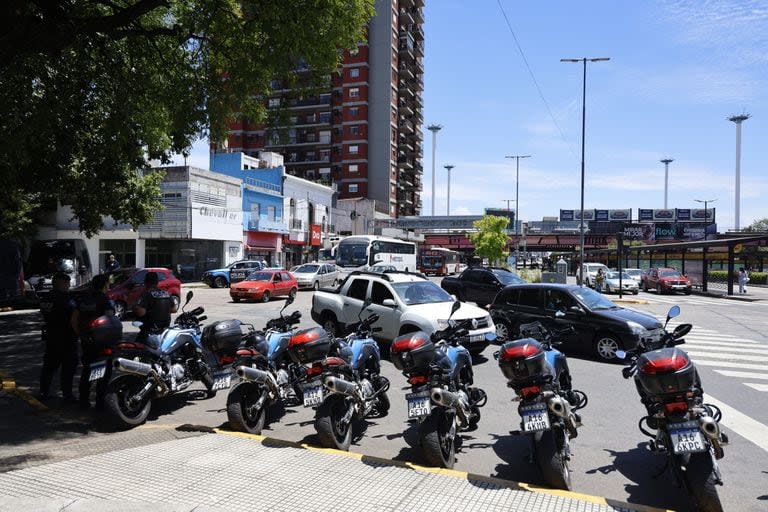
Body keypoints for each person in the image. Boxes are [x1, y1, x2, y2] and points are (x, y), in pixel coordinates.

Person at [71, 274, 115, 409]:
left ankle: (84, 401)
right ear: (104, 285)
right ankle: (99, 402)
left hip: (86, 340)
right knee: (103, 371)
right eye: (108, 284)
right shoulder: (104, 299)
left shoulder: (84, 299)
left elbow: (74, 319)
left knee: (88, 369)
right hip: (101, 341)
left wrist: (81, 334)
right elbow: (110, 318)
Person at [39, 273, 78, 401]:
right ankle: (67, 395)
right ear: (61, 283)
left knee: (49, 367)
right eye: (67, 283)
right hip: (67, 337)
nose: (68, 286)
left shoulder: (46, 297)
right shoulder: (66, 299)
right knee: (68, 368)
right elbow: (74, 319)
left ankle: (43, 392)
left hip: (51, 336)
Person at [133, 271, 177, 341]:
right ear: (157, 282)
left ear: (145, 282)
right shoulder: (166, 293)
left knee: (138, 346)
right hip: (165, 327)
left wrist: (135, 308)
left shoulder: (147, 294)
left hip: (150, 329)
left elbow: (141, 312)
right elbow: (174, 309)